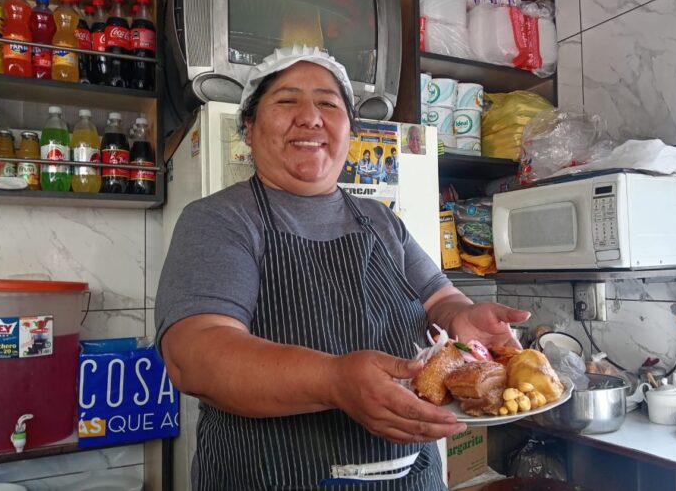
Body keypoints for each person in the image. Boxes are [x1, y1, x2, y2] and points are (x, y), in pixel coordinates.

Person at [155, 45, 529, 490]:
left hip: (412, 477)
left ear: (349, 132)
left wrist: (462, 315)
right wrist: (334, 380)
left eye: (329, 104)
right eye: (288, 100)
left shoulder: (380, 219)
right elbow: (194, 355)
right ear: (250, 128)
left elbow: (440, 296)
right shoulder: (221, 219)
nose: (311, 117)